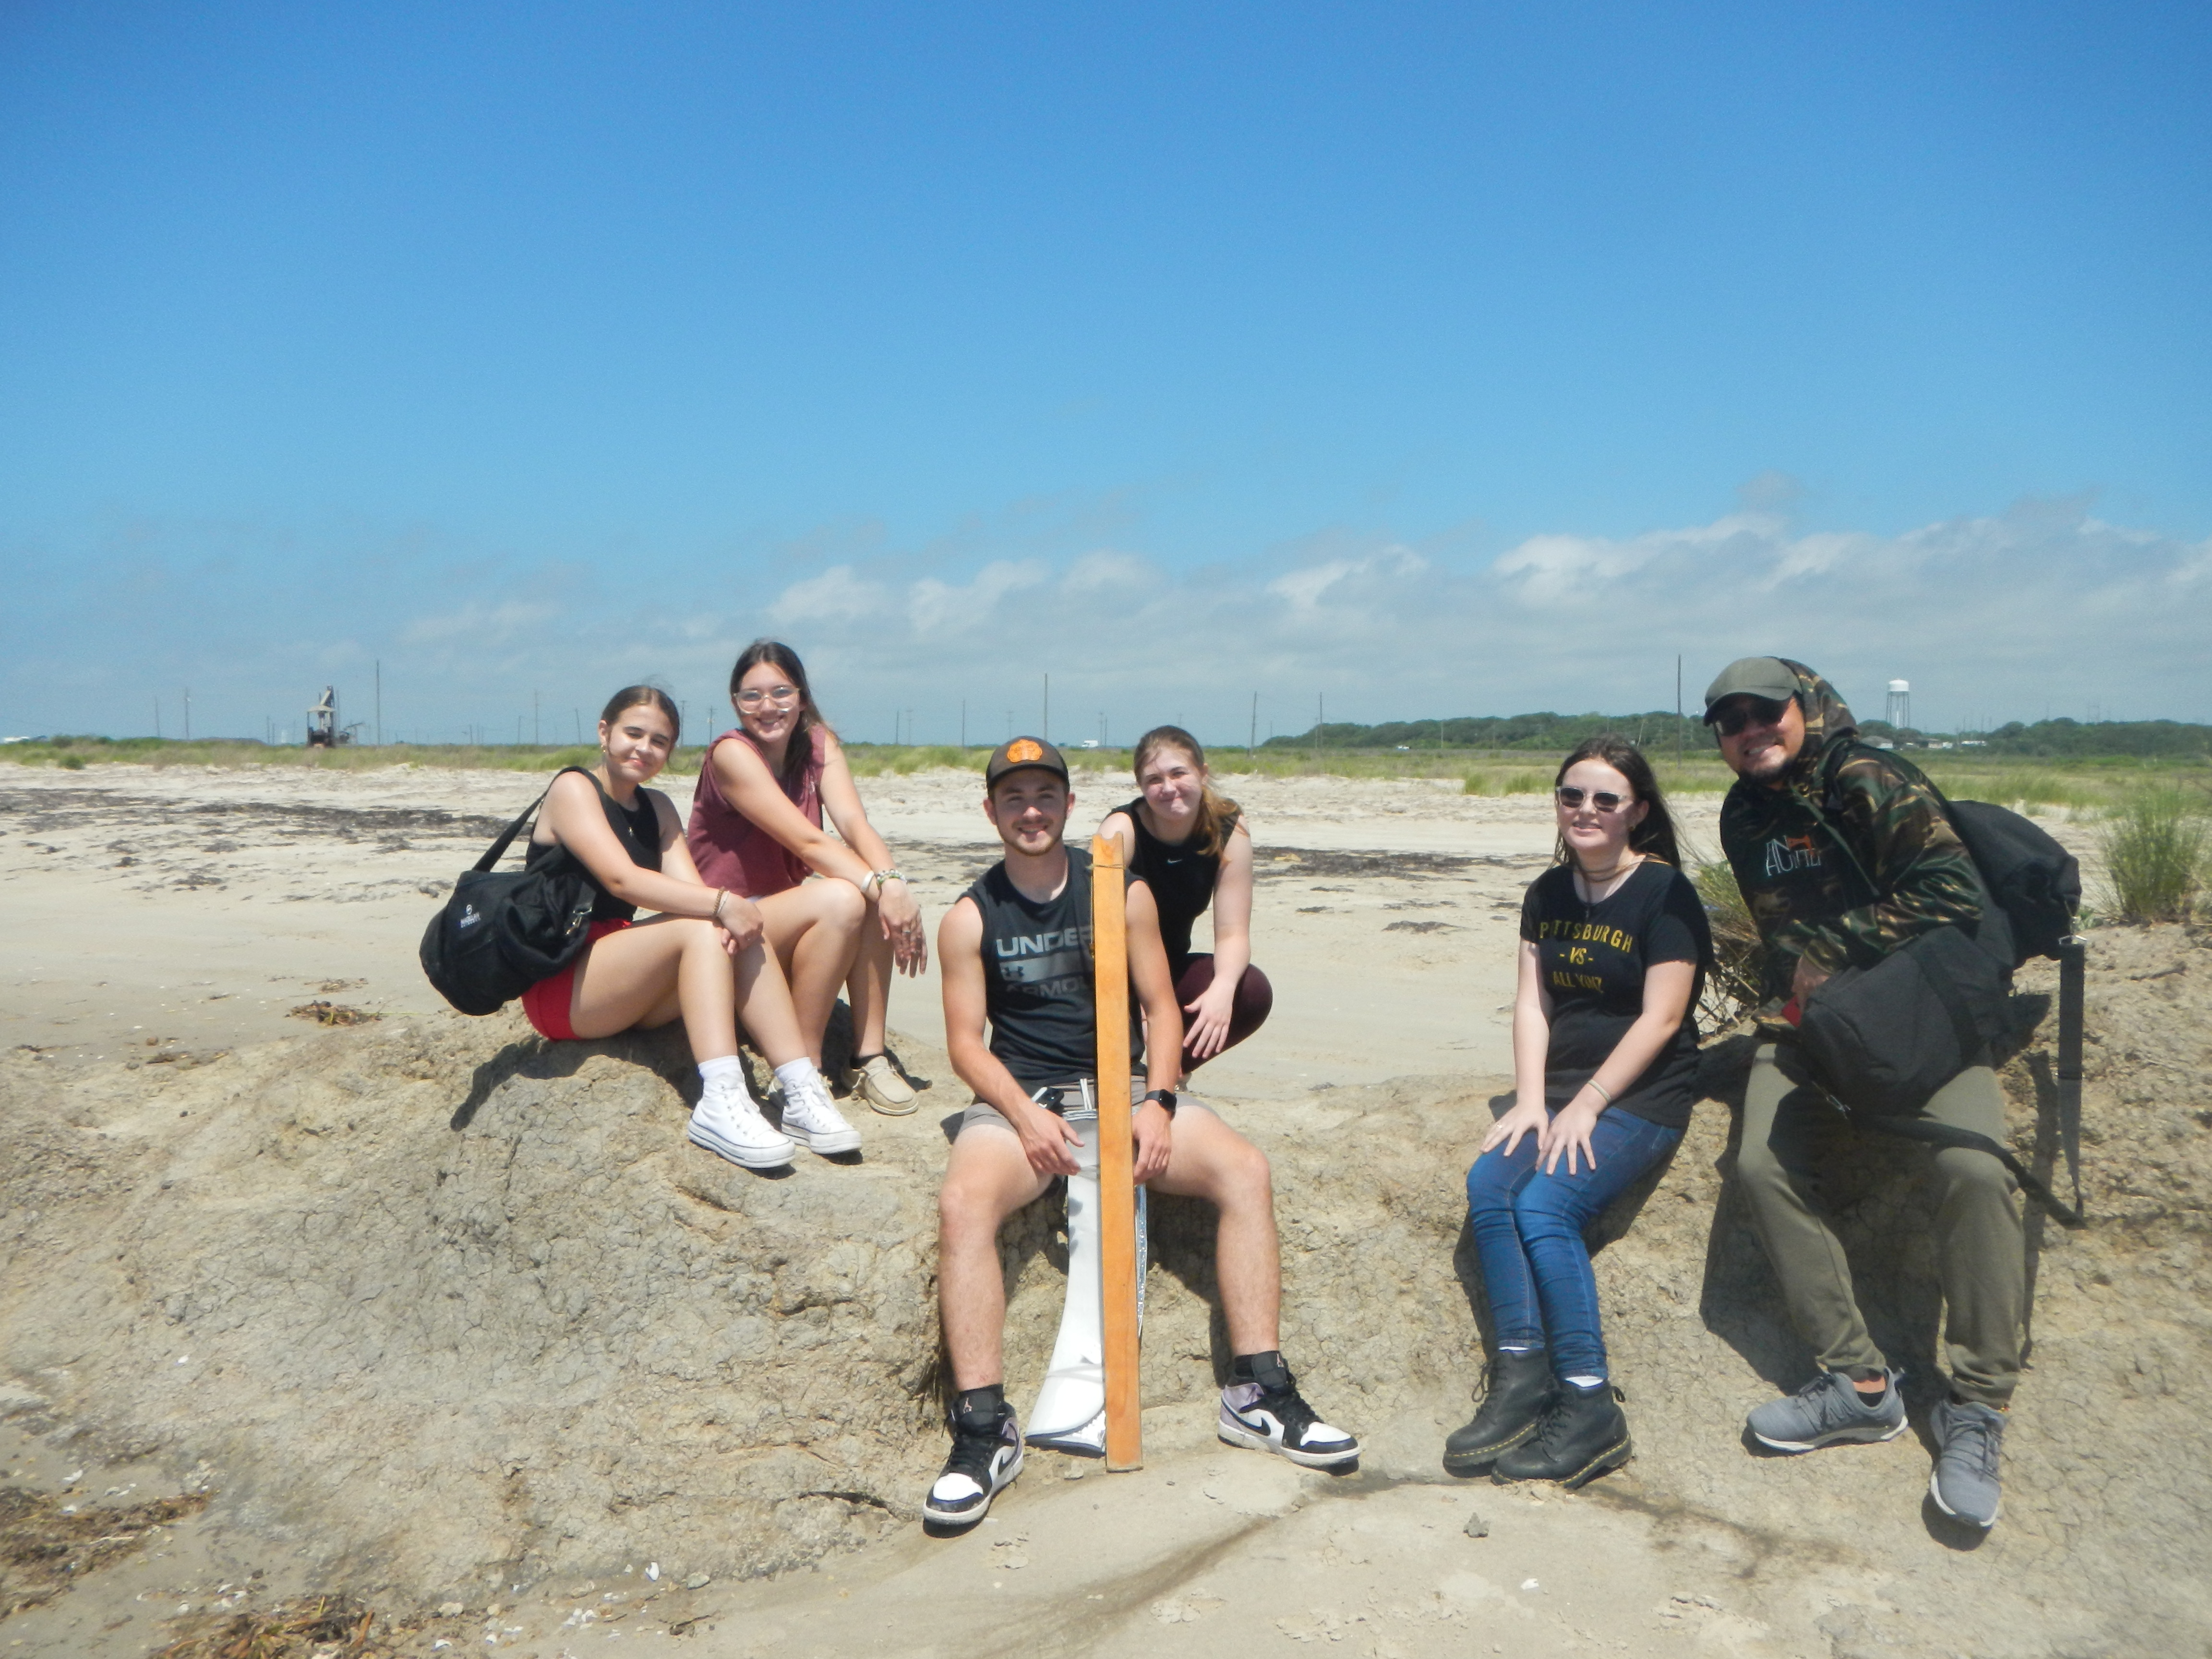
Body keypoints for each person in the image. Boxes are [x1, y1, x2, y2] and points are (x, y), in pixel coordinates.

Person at [923, 737, 1361, 1529]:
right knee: (963, 1203)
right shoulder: (967, 916)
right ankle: (983, 1428)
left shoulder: (1118, 893)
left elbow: (1163, 1009)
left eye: (1045, 796)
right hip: (1025, 1098)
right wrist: (1025, 1116)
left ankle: (1255, 1390)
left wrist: (1158, 1101)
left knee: (1244, 1170)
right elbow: (964, 1045)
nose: (1031, 810)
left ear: (1066, 804)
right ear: (991, 810)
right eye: (1014, 797)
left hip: (1124, 1088)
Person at [1706, 656, 2019, 1530]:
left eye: (1764, 712)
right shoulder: (1742, 813)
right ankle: (1859, 1382)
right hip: (1811, 1026)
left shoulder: (1866, 777)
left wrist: (1833, 951)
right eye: (1729, 721)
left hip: (1917, 1014)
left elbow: (1952, 889)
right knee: (1763, 1168)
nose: (1749, 731)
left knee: (1974, 1170)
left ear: (1802, 708)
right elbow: (1774, 930)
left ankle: (1978, 1404)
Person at [1444, 737, 1709, 1489]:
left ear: (1638, 813)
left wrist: (1591, 1103)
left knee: (1545, 1205)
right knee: (1491, 1185)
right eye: (1572, 796)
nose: (1586, 811)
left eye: (1605, 799)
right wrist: (1533, 1101)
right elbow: (1534, 1001)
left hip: (1641, 1097)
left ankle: (1591, 1405)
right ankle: (1523, 1377)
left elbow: (1662, 1018)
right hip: (1557, 1088)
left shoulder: (1666, 894)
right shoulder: (1548, 893)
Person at [518, 685, 862, 1170]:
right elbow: (624, 879)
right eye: (633, 733)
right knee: (712, 920)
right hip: (564, 983)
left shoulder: (656, 808)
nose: (644, 748)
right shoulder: (573, 788)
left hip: (626, 976)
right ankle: (720, 1097)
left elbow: (693, 893)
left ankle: (799, 1087)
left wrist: (725, 909)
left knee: (724, 924)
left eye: (659, 741)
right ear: (604, 732)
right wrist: (724, 903)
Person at [687, 640, 929, 1114]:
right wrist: (879, 886)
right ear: (736, 703)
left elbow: (855, 825)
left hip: (778, 920)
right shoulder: (731, 755)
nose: (768, 706)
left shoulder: (819, 745)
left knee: (876, 894)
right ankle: (803, 1068)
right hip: (725, 927)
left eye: (781, 692)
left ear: (801, 696)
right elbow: (810, 845)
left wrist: (895, 885)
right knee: (844, 897)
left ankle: (868, 1057)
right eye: (751, 696)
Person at [1097, 726, 1271, 1078]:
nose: (1169, 788)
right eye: (1154, 779)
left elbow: (1232, 933)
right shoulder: (1121, 830)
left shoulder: (1227, 826)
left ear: (1202, 774)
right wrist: (1144, 1009)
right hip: (1109, 971)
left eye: (1179, 773)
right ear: (1141, 787)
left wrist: (1222, 990)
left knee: (1250, 991)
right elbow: (1093, 929)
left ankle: (1171, 1073)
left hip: (1171, 968)